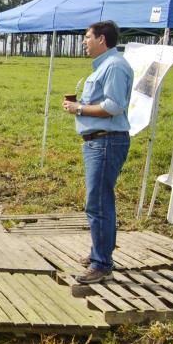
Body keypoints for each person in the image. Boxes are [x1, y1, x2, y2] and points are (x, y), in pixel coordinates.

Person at [62, 21, 133, 285]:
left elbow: (113, 106)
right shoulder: (107, 65)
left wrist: (79, 108)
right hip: (99, 141)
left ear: (102, 39)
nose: (84, 42)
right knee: (101, 200)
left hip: (106, 141)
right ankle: (100, 253)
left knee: (98, 202)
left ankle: (101, 263)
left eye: (87, 37)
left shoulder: (114, 66)